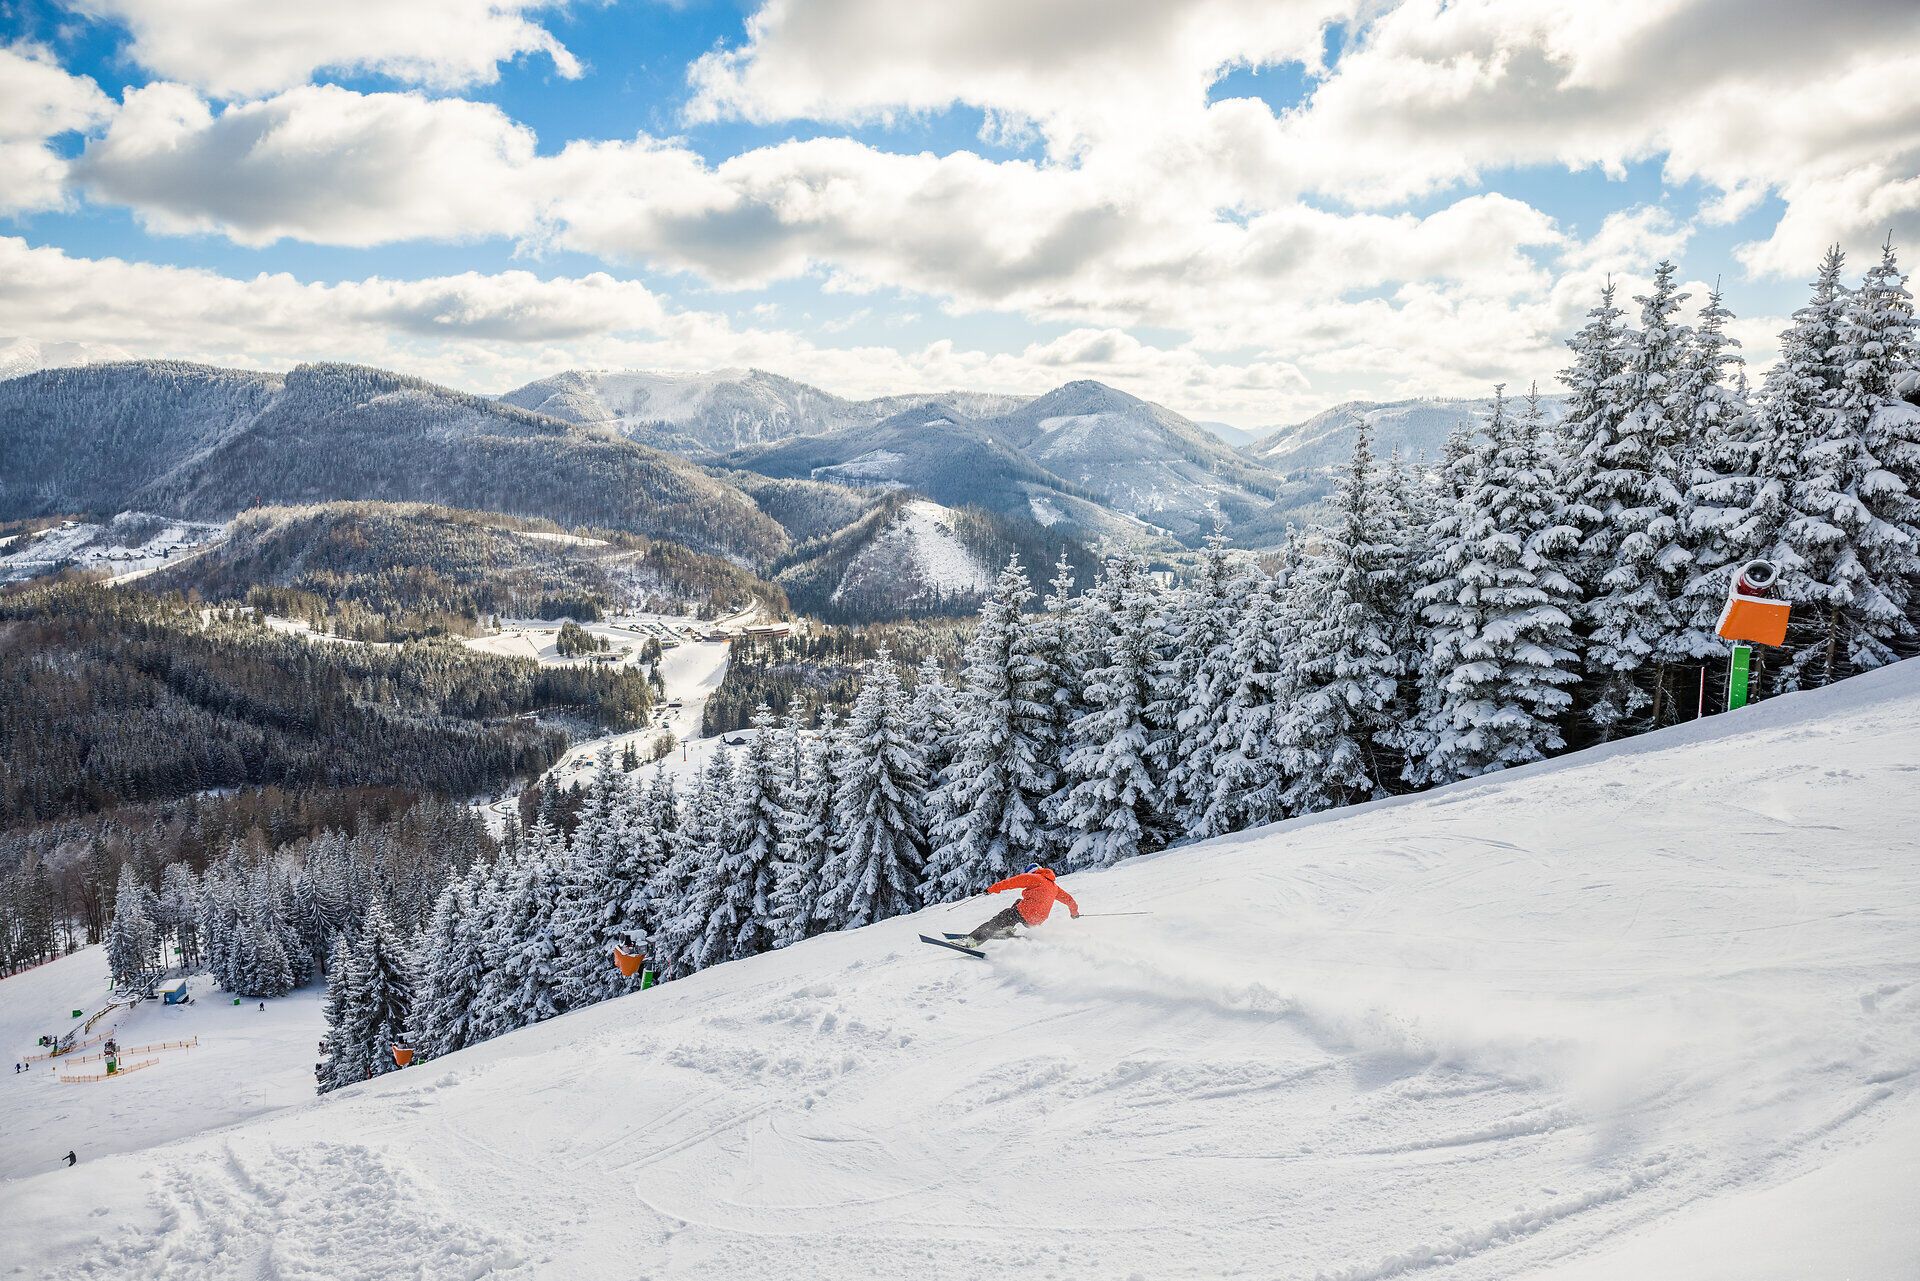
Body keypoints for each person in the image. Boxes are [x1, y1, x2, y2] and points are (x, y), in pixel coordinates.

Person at [956, 864, 1080, 946]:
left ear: (1031, 872)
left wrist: (991, 889)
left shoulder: (1034, 878)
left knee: (999, 920)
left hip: (1025, 913)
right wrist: (1074, 913)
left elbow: (1010, 882)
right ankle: (1008, 928)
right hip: (1037, 921)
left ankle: (972, 940)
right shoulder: (1054, 887)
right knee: (1018, 902)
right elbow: (1070, 900)